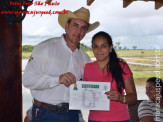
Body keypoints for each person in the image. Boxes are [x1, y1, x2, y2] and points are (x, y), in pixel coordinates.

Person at [22, 7, 99, 122]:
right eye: (75, 25)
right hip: (45, 113)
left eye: (84, 28)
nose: (79, 31)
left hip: (73, 114)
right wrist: (57, 79)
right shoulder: (45, 48)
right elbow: (27, 80)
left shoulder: (85, 59)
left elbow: (87, 89)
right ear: (66, 26)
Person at [83, 31, 137, 122]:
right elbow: (83, 94)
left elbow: (133, 98)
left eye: (103, 46)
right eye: (95, 46)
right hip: (95, 119)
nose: (99, 50)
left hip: (120, 119)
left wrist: (119, 98)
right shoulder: (87, 68)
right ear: (92, 48)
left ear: (111, 47)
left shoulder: (122, 66)